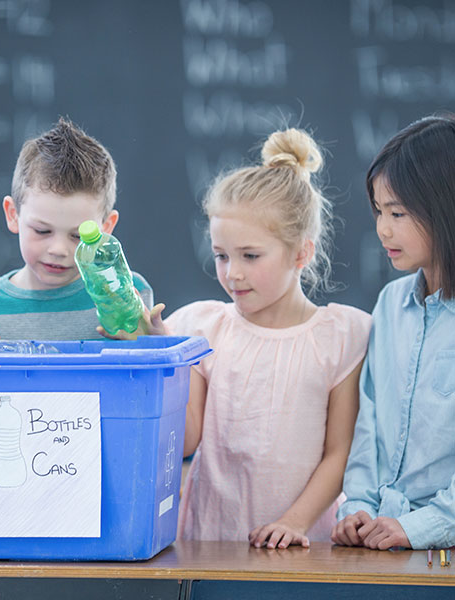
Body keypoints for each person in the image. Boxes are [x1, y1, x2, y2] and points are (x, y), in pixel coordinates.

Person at [162, 128, 372, 547]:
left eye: (250, 256)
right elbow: (185, 440)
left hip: (305, 550)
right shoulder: (204, 328)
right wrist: (160, 357)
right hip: (211, 545)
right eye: (221, 255)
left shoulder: (341, 337)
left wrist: (292, 523)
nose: (231, 273)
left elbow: (339, 453)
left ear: (301, 252)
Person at [332, 115, 455, 551]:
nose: (383, 229)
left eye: (398, 213)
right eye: (380, 211)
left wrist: (423, 526)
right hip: (382, 538)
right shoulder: (390, 303)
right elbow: (369, 422)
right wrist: (357, 508)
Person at [0, 117, 155, 340]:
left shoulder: (125, 295)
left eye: (78, 236)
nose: (58, 250)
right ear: (13, 215)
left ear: (106, 228)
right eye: (42, 231)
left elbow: (155, 371)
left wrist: (152, 342)